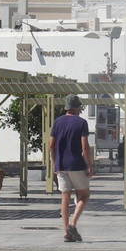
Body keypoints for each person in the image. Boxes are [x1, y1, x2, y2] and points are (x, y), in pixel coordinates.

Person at [49, 94, 93, 242]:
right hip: (77, 164)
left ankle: (66, 232)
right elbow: (85, 146)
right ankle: (72, 224)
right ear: (76, 108)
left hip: (61, 165)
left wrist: (55, 162)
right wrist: (89, 164)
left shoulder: (57, 122)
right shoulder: (81, 123)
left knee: (65, 197)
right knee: (84, 196)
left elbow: (51, 144)